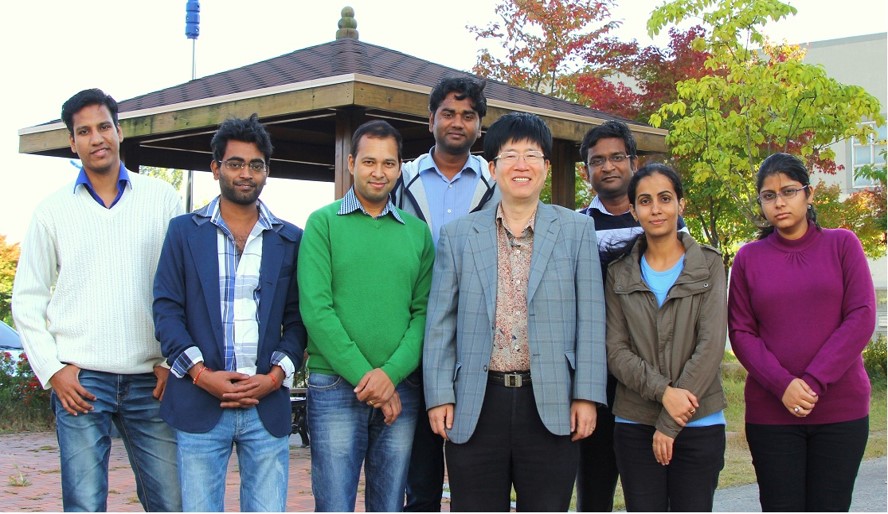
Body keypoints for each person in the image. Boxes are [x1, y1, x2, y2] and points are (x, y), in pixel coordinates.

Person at [423, 112, 606, 511]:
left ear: (546, 166)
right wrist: (439, 395)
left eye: (532, 155)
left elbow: (592, 320)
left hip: (552, 401)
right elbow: (440, 322)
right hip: (476, 401)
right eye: (510, 155)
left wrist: (587, 395)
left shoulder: (576, 230)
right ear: (492, 168)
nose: (521, 165)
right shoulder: (459, 236)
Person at [11, 88, 183, 512]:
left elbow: (184, 287)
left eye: (104, 126)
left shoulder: (163, 199)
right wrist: (53, 370)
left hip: (151, 379)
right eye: (84, 131)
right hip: (81, 381)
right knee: (84, 505)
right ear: (72, 143)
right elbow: (28, 299)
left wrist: (171, 361)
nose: (96, 138)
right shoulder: (51, 212)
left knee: (172, 501)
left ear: (119, 131)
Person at [152, 114, 306, 511]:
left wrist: (274, 379)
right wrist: (202, 376)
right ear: (216, 167)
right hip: (199, 401)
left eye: (256, 165)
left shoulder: (290, 239)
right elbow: (166, 310)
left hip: (265, 404)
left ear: (267, 172)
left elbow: (299, 320)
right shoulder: (183, 232)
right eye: (235, 163)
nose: (246, 173)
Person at [298, 119, 435, 512]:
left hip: (400, 386)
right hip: (335, 385)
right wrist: (369, 379)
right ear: (351, 163)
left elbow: (424, 313)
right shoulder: (323, 223)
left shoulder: (417, 233)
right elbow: (316, 310)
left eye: (389, 163)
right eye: (369, 162)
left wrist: (389, 377)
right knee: (334, 503)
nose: (379, 172)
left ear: (400, 167)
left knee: (390, 503)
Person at [728, 152, 875, 512]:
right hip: (771, 415)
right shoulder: (748, 258)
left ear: (809, 194)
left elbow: (861, 316)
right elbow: (741, 332)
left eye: (788, 191)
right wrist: (784, 385)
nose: (779, 202)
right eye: (769, 195)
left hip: (841, 411)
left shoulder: (843, 244)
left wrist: (811, 382)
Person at [393, 75, 499, 512]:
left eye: (468, 115)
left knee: (474, 472)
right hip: (413, 335)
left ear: (479, 126)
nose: (458, 122)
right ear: (430, 119)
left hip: (476, 340)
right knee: (418, 475)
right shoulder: (400, 179)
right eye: (448, 113)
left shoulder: (495, 184)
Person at [575, 120, 688, 511]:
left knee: (655, 492)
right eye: (598, 160)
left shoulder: (665, 221)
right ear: (585, 171)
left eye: (617, 157)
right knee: (595, 490)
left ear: (634, 162)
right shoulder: (576, 225)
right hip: (597, 379)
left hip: (656, 375)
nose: (608, 167)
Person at [605, 163, 727, 511]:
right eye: (645, 201)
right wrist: (664, 393)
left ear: (680, 204)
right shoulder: (618, 273)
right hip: (635, 423)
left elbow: (711, 345)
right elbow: (615, 351)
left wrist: (669, 424)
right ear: (633, 211)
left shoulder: (709, 264)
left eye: (665, 198)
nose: (656, 209)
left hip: (699, 421)